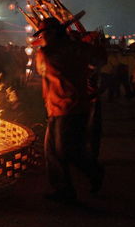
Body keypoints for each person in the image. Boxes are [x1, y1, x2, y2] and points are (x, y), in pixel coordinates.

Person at [35, 18, 103, 202]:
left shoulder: (57, 51)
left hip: (71, 107)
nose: (42, 37)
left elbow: (99, 58)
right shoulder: (67, 50)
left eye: (44, 33)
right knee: (51, 152)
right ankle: (64, 189)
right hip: (53, 107)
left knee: (65, 151)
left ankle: (94, 171)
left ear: (54, 33)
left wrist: (78, 44)